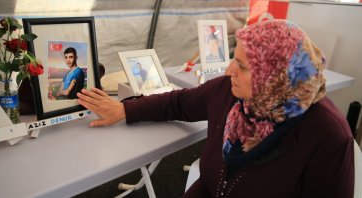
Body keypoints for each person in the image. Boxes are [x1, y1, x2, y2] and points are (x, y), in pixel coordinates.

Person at [77, 20, 354, 197]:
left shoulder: (327, 134)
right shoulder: (229, 92)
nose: (229, 69)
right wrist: (124, 110)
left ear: (277, 76)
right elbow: (178, 102)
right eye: (234, 58)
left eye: (243, 66)